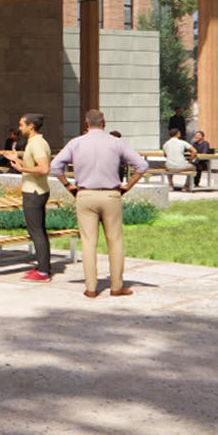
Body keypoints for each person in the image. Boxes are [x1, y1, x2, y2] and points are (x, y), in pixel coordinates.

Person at [51, 109, 147, 298]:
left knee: (88, 243)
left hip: (85, 195)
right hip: (111, 195)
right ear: (104, 123)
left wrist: (68, 186)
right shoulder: (116, 142)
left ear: (86, 124)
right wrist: (128, 185)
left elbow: (55, 166)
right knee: (115, 241)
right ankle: (116, 287)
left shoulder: (76, 143)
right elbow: (141, 166)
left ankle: (91, 288)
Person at [5, 113, 54, 281]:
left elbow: (44, 169)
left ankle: (43, 272)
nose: (20, 128)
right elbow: (34, 167)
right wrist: (17, 161)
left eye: (21, 125)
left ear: (31, 125)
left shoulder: (37, 144)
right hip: (36, 190)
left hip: (34, 192)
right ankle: (43, 266)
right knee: (38, 230)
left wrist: (22, 169)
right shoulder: (35, 143)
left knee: (36, 231)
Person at [161, 127, 195, 191]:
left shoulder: (165, 144)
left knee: (167, 166)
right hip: (181, 166)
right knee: (194, 167)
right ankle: (186, 186)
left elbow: (165, 155)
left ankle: (170, 185)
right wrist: (190, 161)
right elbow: (194, 151)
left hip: (170, 167)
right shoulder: (182, 142)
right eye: (179, 132)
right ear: (177, 134)